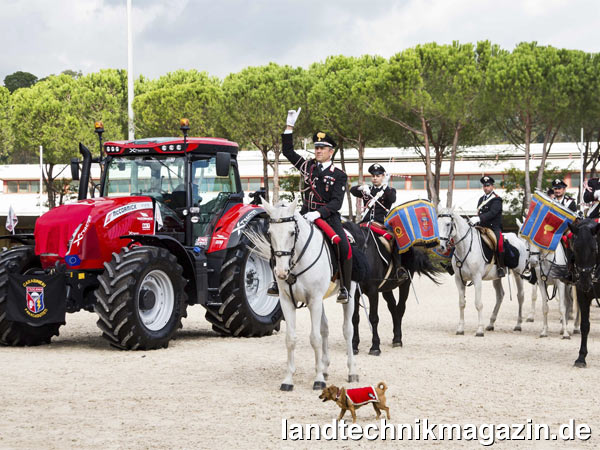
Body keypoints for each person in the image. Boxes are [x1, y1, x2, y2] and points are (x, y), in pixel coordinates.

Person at [266, 107, 352, 303]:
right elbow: (287, 151)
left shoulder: (339, 175)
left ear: (331, 151)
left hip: (328, 217)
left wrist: (319, 213)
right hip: (304, 214)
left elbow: (337, 203)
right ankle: (275, 281)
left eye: (322, 148)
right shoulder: (308, 167)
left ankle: (344, 288)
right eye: (316, 147)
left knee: (345, 247)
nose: (318, 151)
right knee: (279, 239)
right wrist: (289, 126)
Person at [469, 175, 505, 277]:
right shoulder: (481, 199)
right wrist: (474, 219)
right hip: (481, 227)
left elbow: (493, 213)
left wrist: (479, 218)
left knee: (499, 244)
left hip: (493, 228)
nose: (486, 188)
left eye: (488, 185)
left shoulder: (497, 200)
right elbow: (479, 213)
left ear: (492, 186)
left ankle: (500, 267)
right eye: (484, 186)